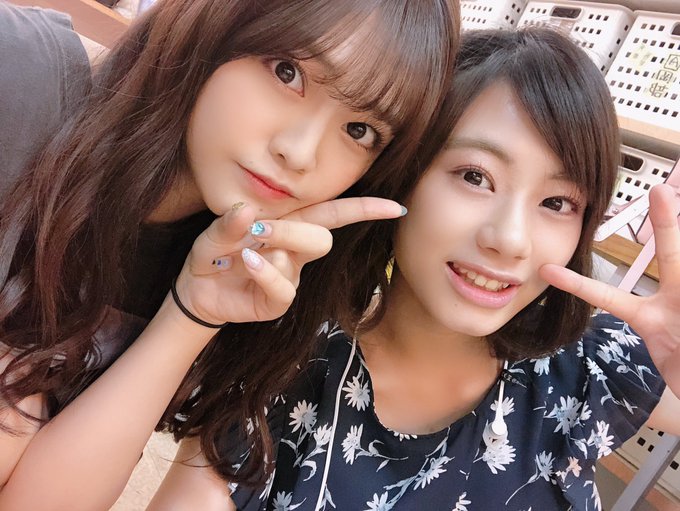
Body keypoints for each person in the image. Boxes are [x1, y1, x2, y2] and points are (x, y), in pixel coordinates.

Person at [149, 28, 680, 510]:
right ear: (403, 175)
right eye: (474, 176)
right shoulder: (276, 378)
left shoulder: (586, 366)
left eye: (558, 203)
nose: (510, 240)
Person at [0, 1, 459, 508]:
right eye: (287, 72)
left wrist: (192, 313)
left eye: (359, 131)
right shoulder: (20, 76)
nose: (299, 152)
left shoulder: (228, 265)